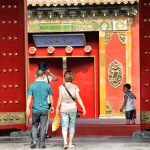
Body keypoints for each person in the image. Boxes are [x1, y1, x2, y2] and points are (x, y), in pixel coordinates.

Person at [56, 70, 86, 149]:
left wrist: (57, 107)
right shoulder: (75, 87)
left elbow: (59, 99)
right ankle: (70, 144)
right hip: (72, 108)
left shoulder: (61, 87)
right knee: (72, 126)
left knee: (64, 126)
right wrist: (83, 107)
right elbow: (78, 98)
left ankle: (65, 143)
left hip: (64, 108)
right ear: (73, 78)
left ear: (65, 78)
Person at [26, 69, 54, 148]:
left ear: (36, 76)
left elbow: (29, 97)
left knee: (34, 125)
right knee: (43, 126)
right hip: (45, 109)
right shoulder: (47, 85)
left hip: (35, 109)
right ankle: (42, 144)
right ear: (44, 76)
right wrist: (52, 106)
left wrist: (27, 107)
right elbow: (51, 96)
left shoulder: (32, 85)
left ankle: (34, 140)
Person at [37, 62, 58, 138]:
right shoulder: (45, 78)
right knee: (46, 117)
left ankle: (38, 132)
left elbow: (56, 78)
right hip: (47, 100)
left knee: (39, 117)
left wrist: (50, 73)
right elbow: (56, 78)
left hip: (39, 100)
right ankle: (44, 133)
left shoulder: (36, 77)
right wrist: (50, 72)